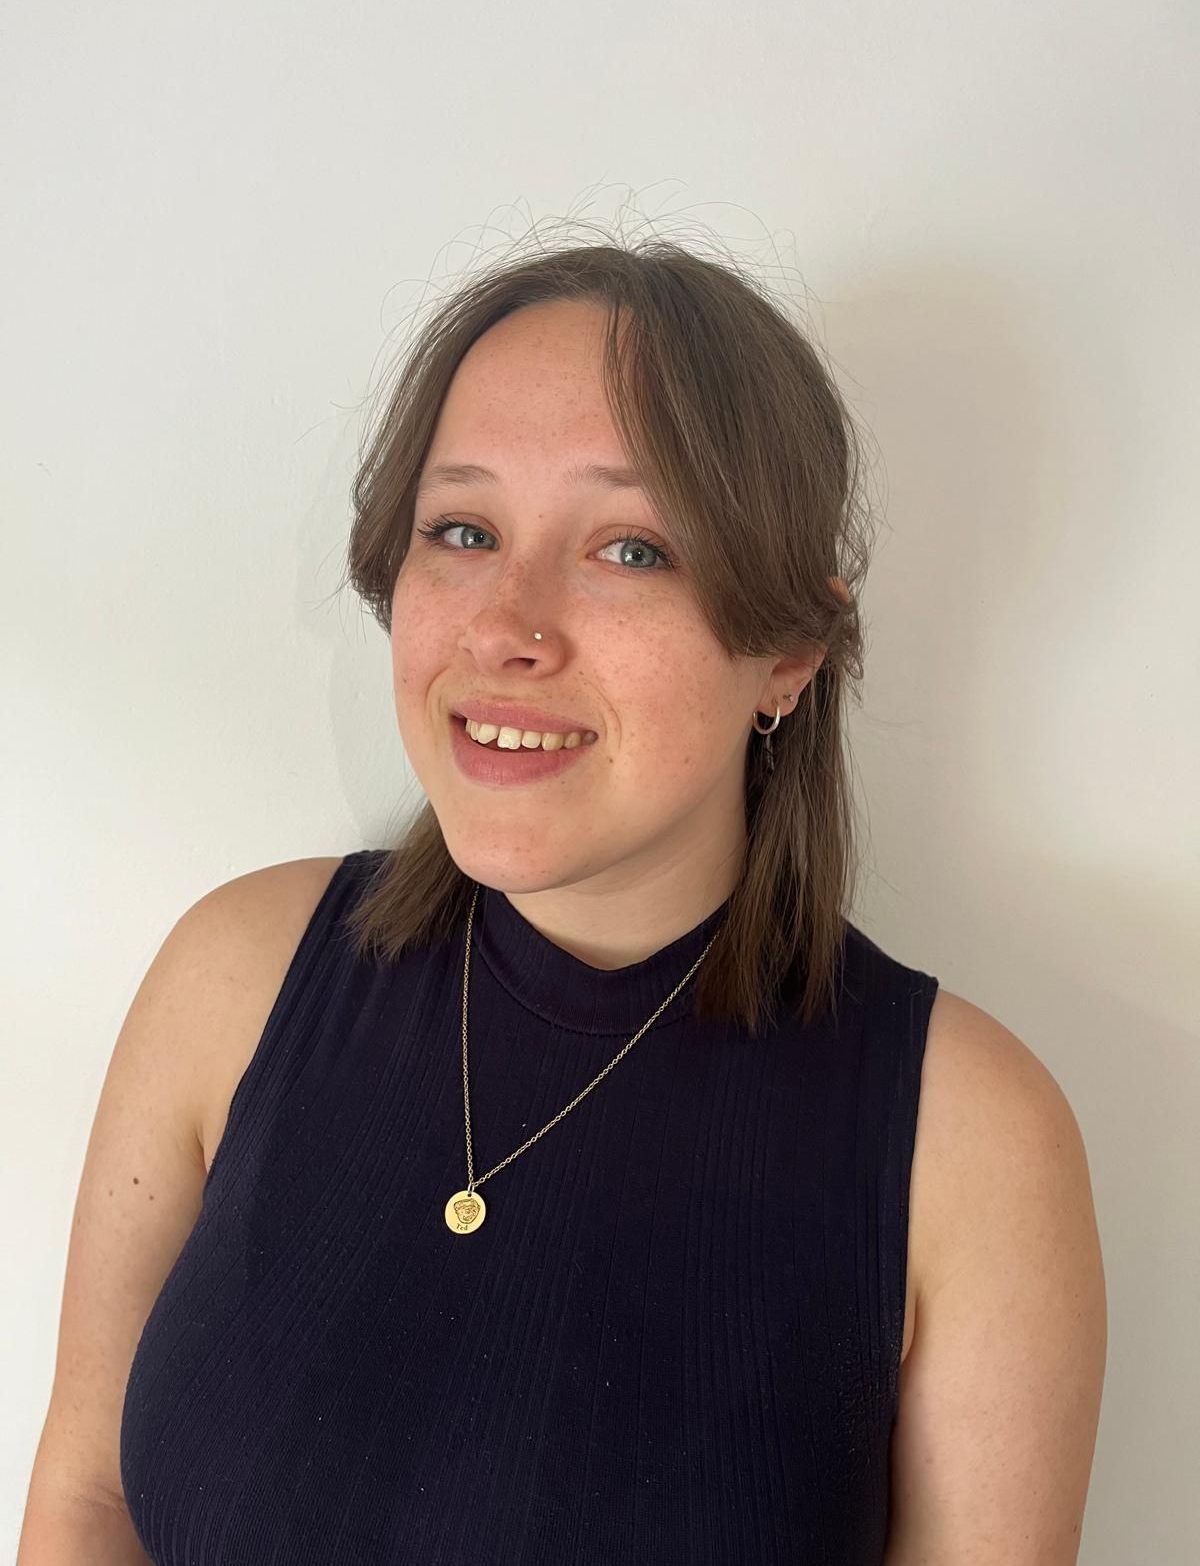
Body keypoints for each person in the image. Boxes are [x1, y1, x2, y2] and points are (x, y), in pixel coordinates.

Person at [19, 238, 1106, 1564]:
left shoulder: (972, 1143)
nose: (505, 624)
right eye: (463, 530)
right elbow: (87, 1504)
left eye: (630, 547)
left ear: (789, 651)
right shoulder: (233, 977)